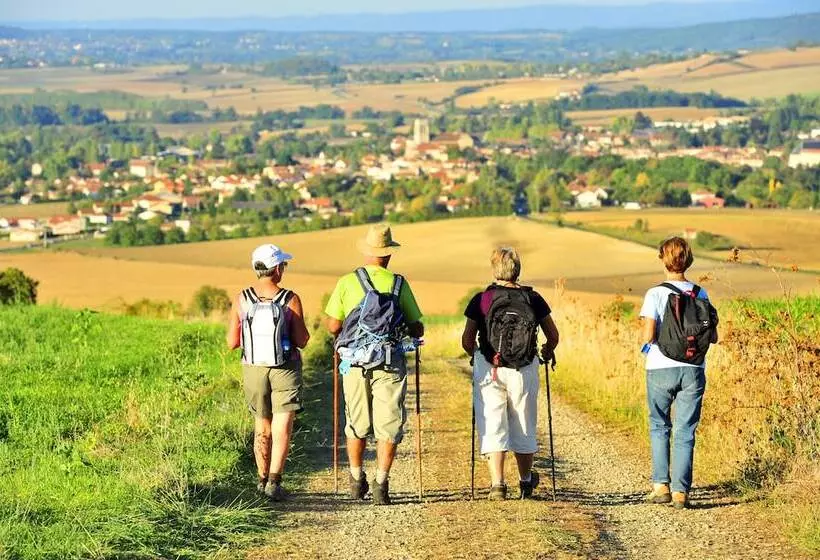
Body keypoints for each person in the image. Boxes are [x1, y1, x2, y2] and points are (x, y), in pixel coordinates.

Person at [325, 223, 424, 506]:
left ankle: (357, 479)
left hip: (354, 363)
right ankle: (381, 484)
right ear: (389, 254)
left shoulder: (347, 282)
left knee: (356, 422)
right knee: (389, 423)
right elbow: (417, 328)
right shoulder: (399, 284)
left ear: (367, 252)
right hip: (390, 361)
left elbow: (333, 324)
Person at [460, 247, 559, 500]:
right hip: (524, 367)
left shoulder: (482, 299)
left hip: (489, 367)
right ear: (518, 271)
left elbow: (467, 339)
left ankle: (498, 485)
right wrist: (546, 352)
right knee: (524, 422)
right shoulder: (533, 299)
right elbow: (553, 335)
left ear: (495, 270)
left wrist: (476, 355)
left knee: (492, 421)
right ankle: (526, 482)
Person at [226, 243, 310, 501]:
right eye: (282, 264)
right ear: (276, 269)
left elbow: (232, 342)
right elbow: (302, 339)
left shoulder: (242, 299)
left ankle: (261, 481)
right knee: (282, 422)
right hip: (285, 367)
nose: (283, 269)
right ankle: (275, 481)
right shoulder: (290, 298)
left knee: (261, 424)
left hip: (252, 368)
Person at [640, 237, 717, 509]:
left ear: (664, 259)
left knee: (660, 425)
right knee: (686, 430)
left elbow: (649, 334)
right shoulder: (701, 293)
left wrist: (647, 344)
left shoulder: (655, 293)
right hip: (694, 368)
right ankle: (681, 493)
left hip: (660, 367)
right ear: (688, 260)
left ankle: (661, 485)